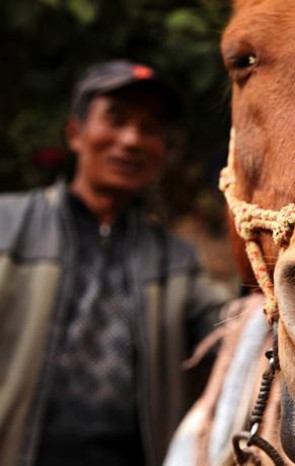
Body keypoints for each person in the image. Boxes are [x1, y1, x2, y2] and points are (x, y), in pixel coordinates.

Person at [0, 60, 232, 466]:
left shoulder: (175, 259)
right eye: (116, 119)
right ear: (76, 133)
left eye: (150, 128)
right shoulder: (9, 225)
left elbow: (230, 330)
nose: (131, 140)